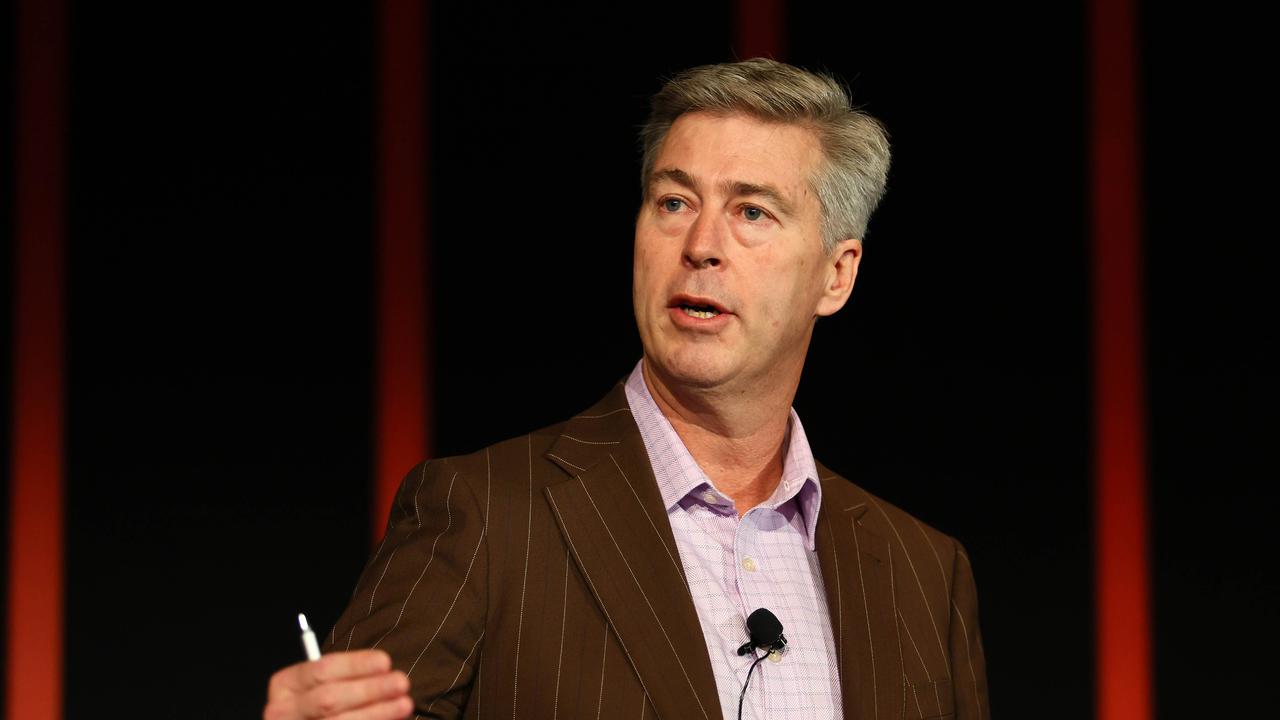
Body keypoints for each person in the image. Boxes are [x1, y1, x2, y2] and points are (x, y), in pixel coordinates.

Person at [264, 58, 989, 720]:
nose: (701, 245)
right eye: (673, 201)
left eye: (752, 212)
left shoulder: (923, 573)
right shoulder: (486, 516)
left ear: (838, 273)